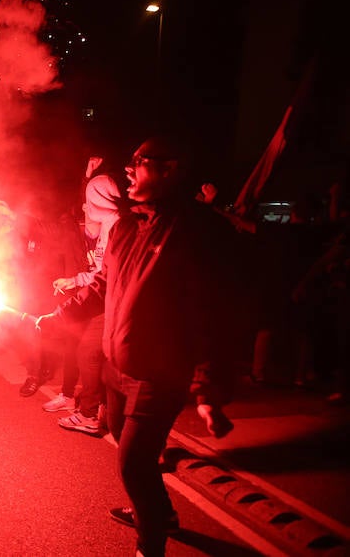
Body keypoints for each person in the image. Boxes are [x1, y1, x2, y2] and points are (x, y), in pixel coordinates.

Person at [36, 136, 236, 557]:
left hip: (157, 372)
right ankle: (159, 514)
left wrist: (208, 388)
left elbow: (214, 311)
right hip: (116, 364)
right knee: (127, 451)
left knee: (134, 463)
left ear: (170, 169)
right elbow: (104, 286)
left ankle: (150, 546)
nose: (129, 168)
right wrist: (58, 316)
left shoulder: (199, 231)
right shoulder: (127, 228)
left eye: (140, 162)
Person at [48, 158, 125, 437]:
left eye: (91, 198)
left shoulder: (116, 228)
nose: (86, 206)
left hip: (113, 304)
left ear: (102, 200)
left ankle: (91, 414)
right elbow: (101, 272)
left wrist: (65, 310)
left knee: (90, 352)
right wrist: (75, 280)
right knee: (98, 355)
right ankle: (101, 409)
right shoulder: (111, 223)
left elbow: (106, 277)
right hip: (109, 300)